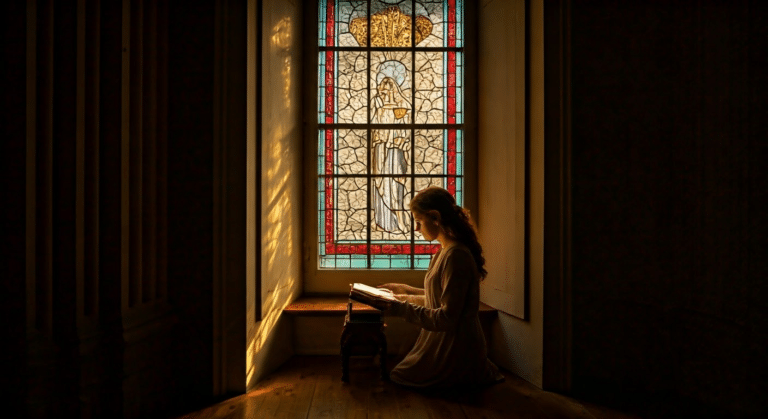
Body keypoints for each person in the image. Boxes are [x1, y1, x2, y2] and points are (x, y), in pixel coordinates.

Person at [372, 186, 504, 388]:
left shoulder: (456, 255)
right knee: (399, 372)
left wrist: (399, 308)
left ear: (435, 217)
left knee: (400, 375)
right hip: (445, 339)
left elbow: (447, 317)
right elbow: (439, 295)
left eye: (418, 221)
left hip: (455, 345)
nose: (416, 229)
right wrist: (403, 291)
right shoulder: (444, 252)